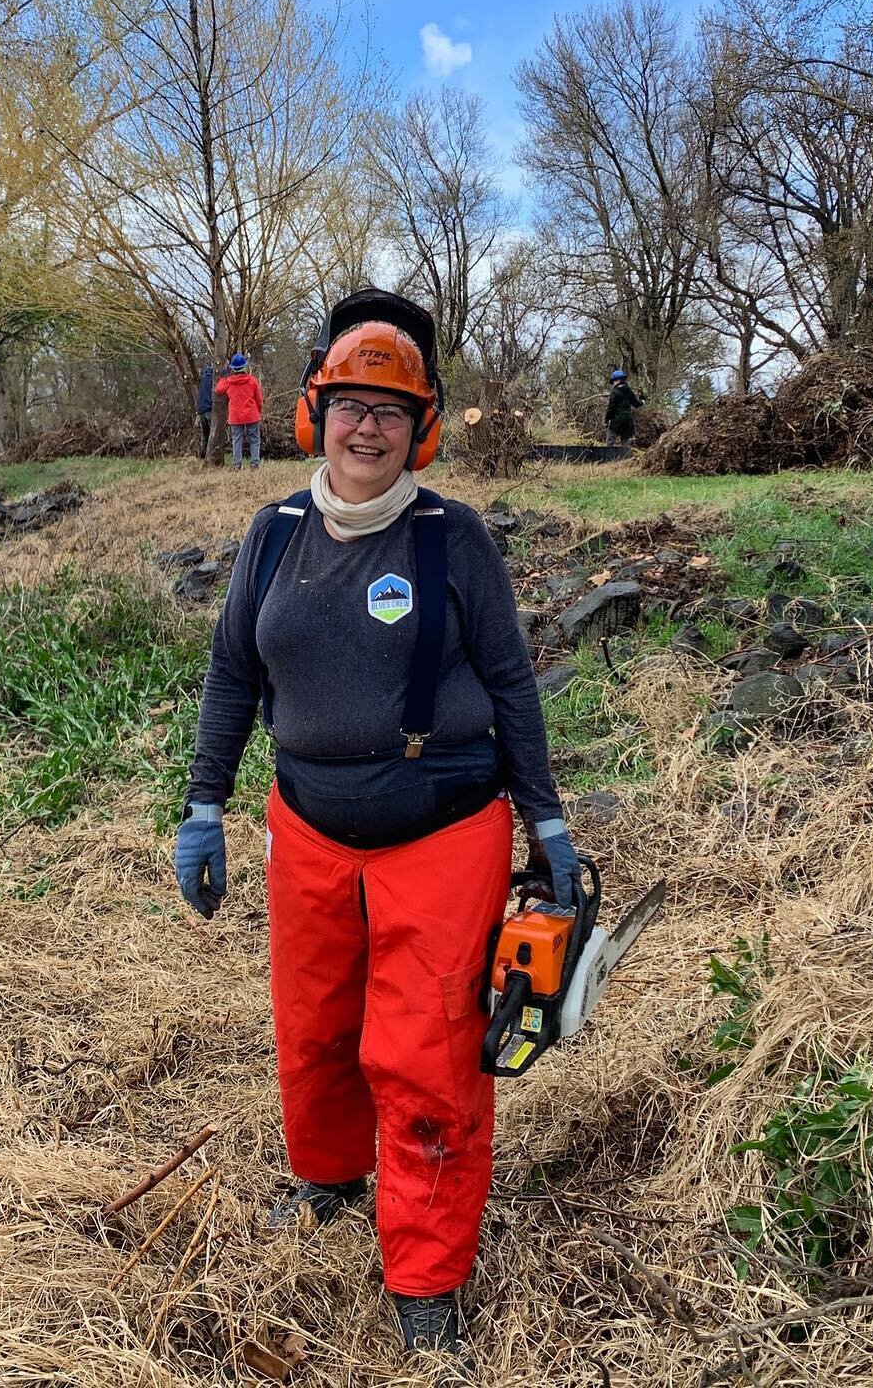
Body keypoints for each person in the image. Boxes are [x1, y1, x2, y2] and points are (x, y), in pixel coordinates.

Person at [174, 290, 579, 1357]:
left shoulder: (457, 539)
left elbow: (510, 681)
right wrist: (203, 805)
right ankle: (326, 1178)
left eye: (390, 412)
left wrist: (546, 821)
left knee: (428, 1057)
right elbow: (230, 676)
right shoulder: (274, 535)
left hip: (442, 837)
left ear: (423, 428)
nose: (367, 428)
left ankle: (426, 1279)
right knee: (314, 1026)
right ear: (314, 412)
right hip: (305, 827)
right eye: (350, 404)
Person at [215, 352, 264, 469]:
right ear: (244, 366)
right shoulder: (252, 381)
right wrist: (258, 411)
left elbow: (218, 389)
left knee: (236, 441)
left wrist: (223, 377)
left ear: (232, 368)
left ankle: (237, 465)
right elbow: (259, 399)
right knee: (254, 440)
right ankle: (254, 464)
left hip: (235, 417)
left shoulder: (228, 382)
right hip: (252, 415)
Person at [605, 368, 645, 450]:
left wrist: (607, 419)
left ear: (617, 380)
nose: (612, 384)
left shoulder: (614, 392)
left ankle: (607, 459)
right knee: (625, 441)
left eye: (613, 381)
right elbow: (637, 404)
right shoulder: (629, 391)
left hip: (616, 420)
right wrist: (642, 399)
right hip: (628, 419)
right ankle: (625, 460)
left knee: (610, 439)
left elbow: (611, 408)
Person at [196, 362, 215, 459]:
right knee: (213, 434)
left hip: (201, 411)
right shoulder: (214, 379)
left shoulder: (203, 379)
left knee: (204, 436)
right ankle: (211, 456)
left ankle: (202, 456)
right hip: (209, 410)